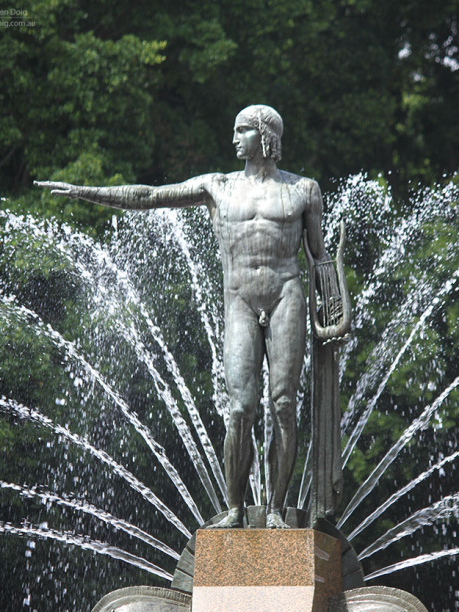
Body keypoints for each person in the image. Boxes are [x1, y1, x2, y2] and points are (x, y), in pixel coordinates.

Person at [36, 104, 336, 529]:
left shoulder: (304, 190)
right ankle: (235, 509)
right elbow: (151, 196)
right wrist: (87, 191)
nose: (234, 139)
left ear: (266, 136)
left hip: (286, 296)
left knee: (284, 404)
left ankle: (274, 509)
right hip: (240, 302)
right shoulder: (217, 186)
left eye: (242, 131)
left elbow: (319, 258)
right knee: (240, 408)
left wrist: (335, 314)